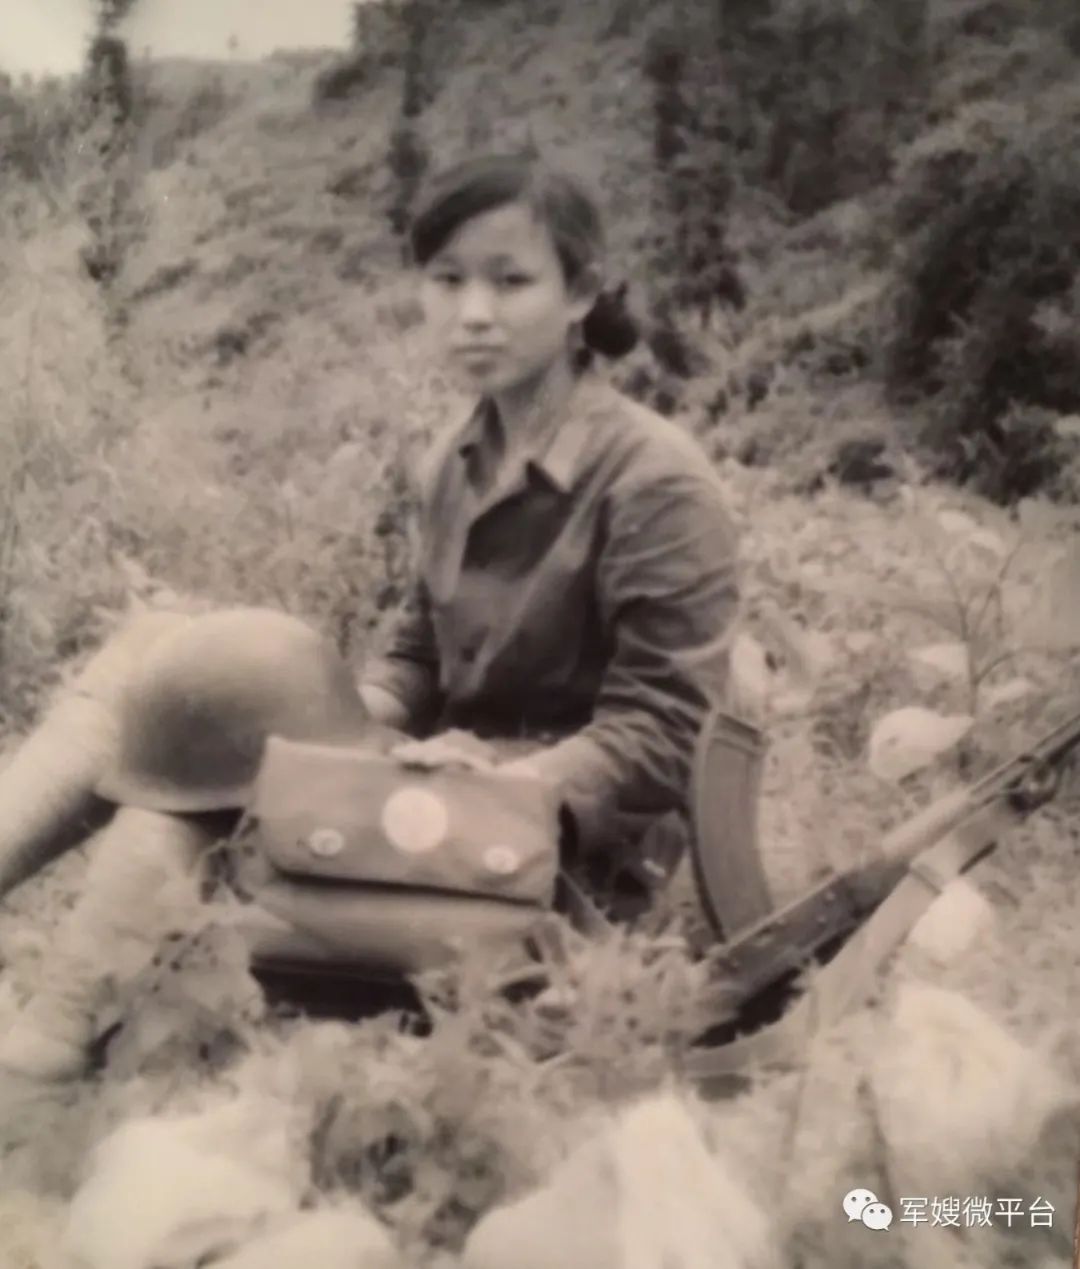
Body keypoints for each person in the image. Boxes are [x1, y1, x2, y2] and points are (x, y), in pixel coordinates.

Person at [0, 151, 740, 1082]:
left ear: (581, 292)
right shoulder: (454, 460)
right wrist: (311, 722)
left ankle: (53, 1035)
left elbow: (668, 730)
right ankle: (56, 1024)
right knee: (164, 659)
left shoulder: (654, 480)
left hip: (540, 847)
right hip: (435, 783)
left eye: (511, 281)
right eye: (448, 280)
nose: (474, 311)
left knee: (210, 698)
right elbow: (417, 656)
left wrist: (521, 775)